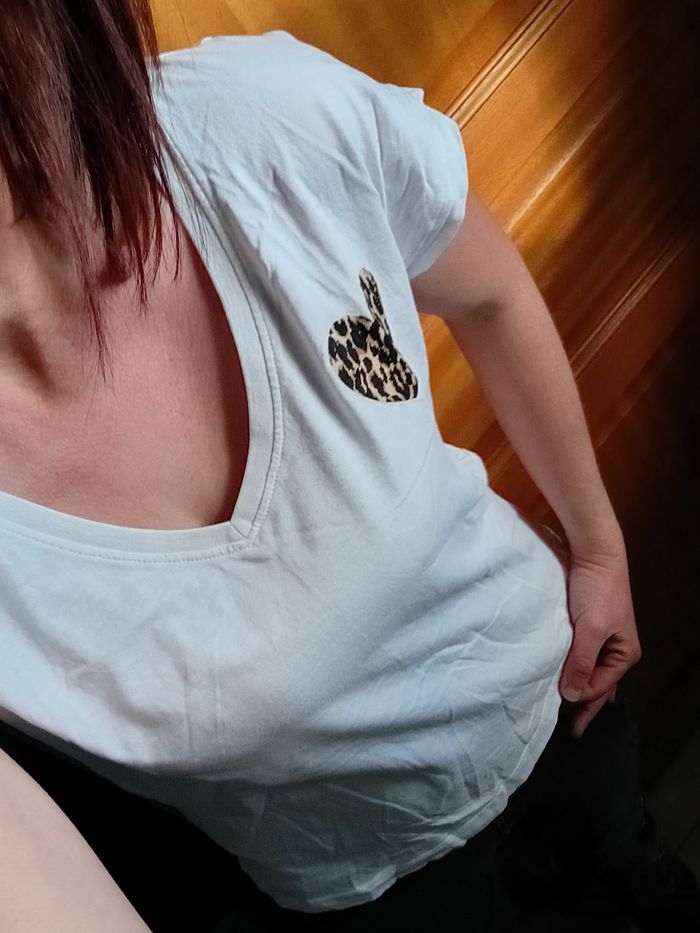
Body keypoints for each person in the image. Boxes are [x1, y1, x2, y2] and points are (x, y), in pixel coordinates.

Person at [1, 3, 695, 931]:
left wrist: (598, 545)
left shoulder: (257, 120)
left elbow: (487, 292)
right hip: (383, 890)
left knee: (640, 875)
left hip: (559, 699)